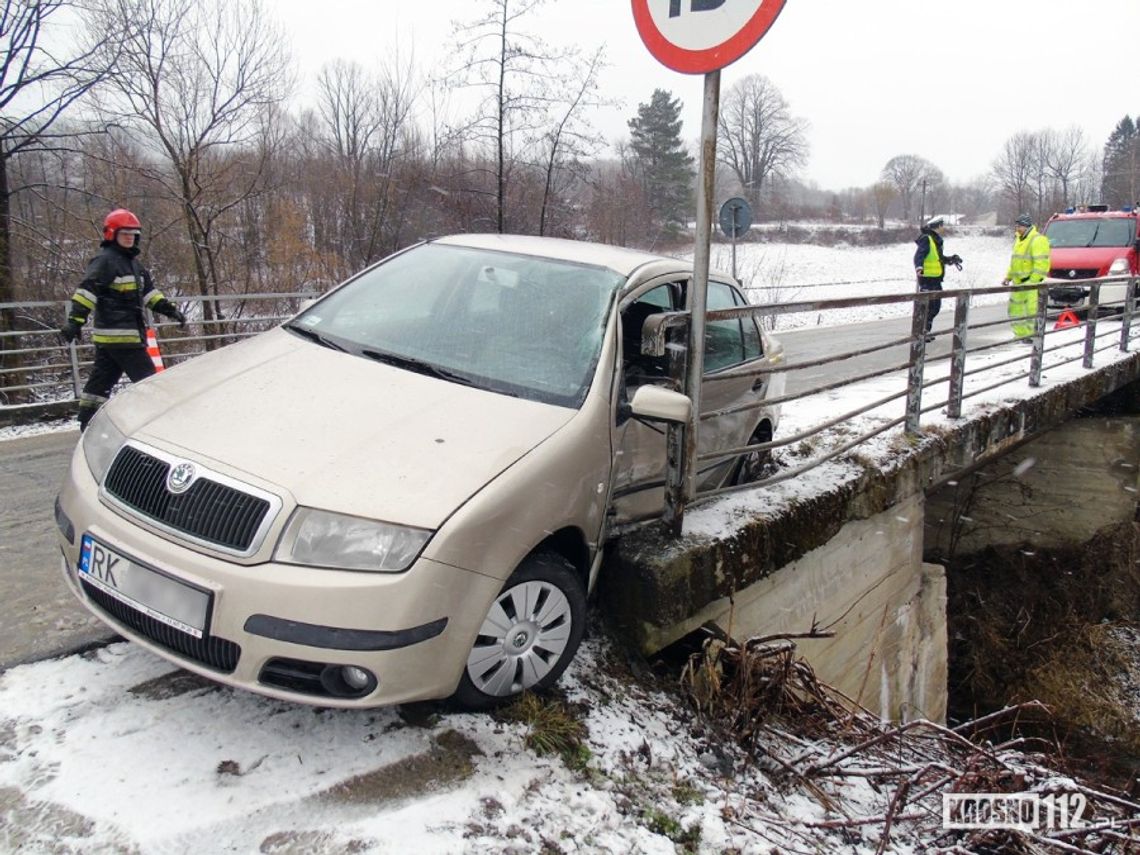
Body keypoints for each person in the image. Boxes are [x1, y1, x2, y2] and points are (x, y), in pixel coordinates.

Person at [61, 208, 186, 431]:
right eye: (124, 233)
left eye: (133, 234)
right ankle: (162, 425)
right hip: (123, 338)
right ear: (112, 234)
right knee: (148, 381)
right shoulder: (105, 261)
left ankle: (86, 421)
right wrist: (75, 320)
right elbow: (87, 292)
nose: (130, 237)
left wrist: (170, 310)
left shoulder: (135, 265)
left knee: (100, 383)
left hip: (115, 339)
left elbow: (150, 295)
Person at [1001, 213, 1051, 342]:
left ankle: (1031, 336)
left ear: (1026, 226)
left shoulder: (1037, 239)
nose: (1017, 228)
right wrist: (1008, 277)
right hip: (1018, 283)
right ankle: (1020, 336)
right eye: (1016, 226)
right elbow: (1015, 262)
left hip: (1031, 283)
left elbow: (1042, 264)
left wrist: (1033, 281)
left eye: (1020, 226)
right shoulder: (1019, 239)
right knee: (1014, 310)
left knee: (1031, 312)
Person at [913, 216, 962, 343]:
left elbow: (938, 258)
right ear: (938, 226)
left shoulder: (935, 240)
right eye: (942, 225)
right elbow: (919, 255)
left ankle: (925, 331)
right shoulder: (927, 239)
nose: (943, 228)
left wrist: (951, 259)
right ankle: (922, 332)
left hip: (935, 279)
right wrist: (919, 267)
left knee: (934, 307)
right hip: (927, 279)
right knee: (928, 307)